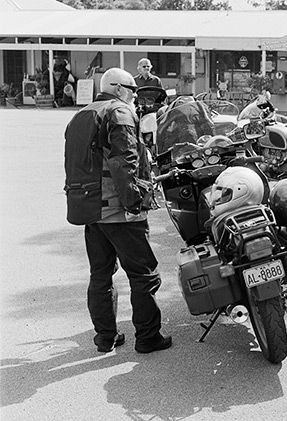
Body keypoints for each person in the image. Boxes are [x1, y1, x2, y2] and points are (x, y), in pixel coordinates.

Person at [64, 67, 172, 354]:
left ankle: (105, 338)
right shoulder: (119, 112)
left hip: (90, 209)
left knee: (100, 275)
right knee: (144, 274)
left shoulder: (82, 114)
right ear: (119, 88)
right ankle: (148, 337)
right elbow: (125, 162)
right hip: (118, 209)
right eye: (132, 89)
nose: (135, 95)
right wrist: (135, 202)